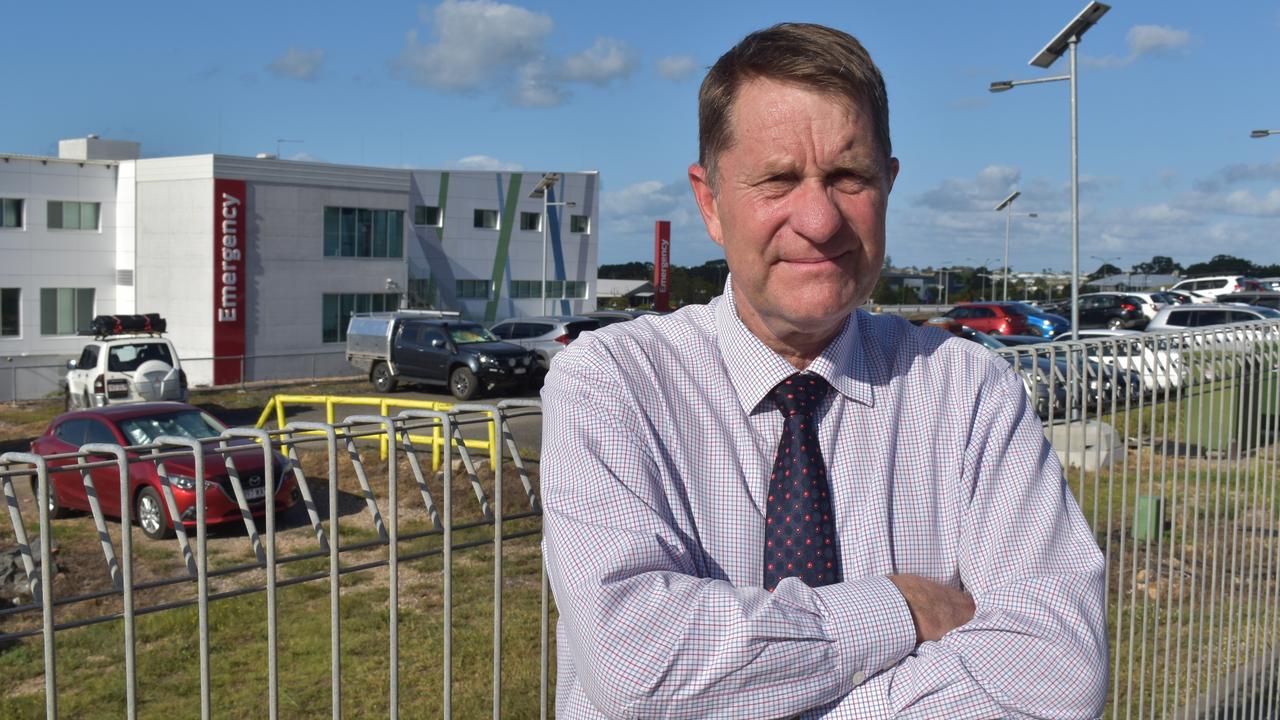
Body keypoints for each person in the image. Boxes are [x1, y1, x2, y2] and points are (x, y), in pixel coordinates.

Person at [541, 22, 1107, 719]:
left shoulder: (968, 393)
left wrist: (742, 684)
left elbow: (1055, 670)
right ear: (710, 202)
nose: (818, 219)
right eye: (777, 179)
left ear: (889, 184)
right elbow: (637, 665)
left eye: (849, 177)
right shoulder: (612, 383)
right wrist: (896, 610)